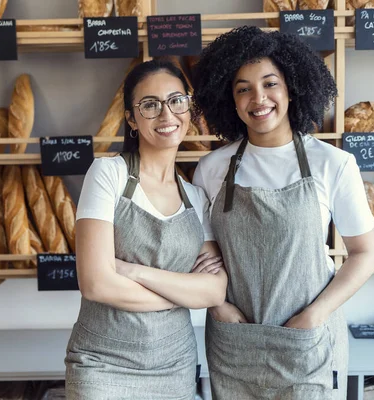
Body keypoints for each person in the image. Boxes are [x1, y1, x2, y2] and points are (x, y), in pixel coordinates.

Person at [192, 26, 374, 399]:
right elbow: (202, 254)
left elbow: (364, 252)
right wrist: (218, 306)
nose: (258, 98)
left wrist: (316, 314)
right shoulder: (211, 168)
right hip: (235, 341)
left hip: (308, 342)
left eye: (270, 83)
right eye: (243, 88)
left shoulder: (333, 163)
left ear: (292, 87)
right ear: (230, 99)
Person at [65, 59, 227, 399]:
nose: (167, 115)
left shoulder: (196, 197)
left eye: (176, 100)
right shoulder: (108, 175)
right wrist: (180, 294)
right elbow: (95, 284)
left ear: (189, 107)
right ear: (131, 119)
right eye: (150, 105)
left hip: (175, 366)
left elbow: (213, 292)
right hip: (103, 365)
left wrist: (131, 271)